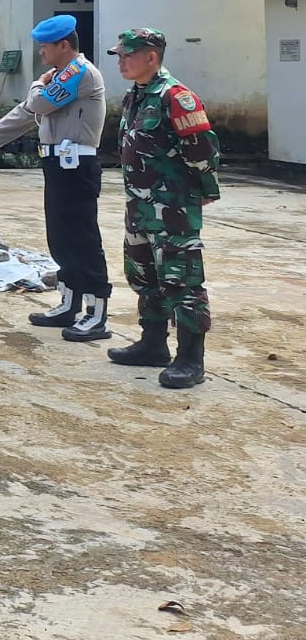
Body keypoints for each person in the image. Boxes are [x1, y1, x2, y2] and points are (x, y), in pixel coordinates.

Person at [0, 15, 113, 340]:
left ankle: (96, 314)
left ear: (63, 45)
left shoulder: (79, 72)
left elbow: (39, 102)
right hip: (58, 167)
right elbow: (27, 112)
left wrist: (37, 85)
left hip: (77, 167)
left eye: (45, 46)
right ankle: (69, 303)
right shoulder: (59, 76)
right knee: (60, 238)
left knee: (82, 239)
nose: (41, 53)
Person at [104, 28, 221, 389]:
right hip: (140, 205)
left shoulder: (177, 97)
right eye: (120, 55)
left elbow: (202, 149)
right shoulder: (136, 96)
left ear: (151, 57)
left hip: (172, 207)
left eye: (128, 55)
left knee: (181, 279)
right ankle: (153, 343)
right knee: (144, 274)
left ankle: (190, 358)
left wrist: (203, 190)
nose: (121, 61)